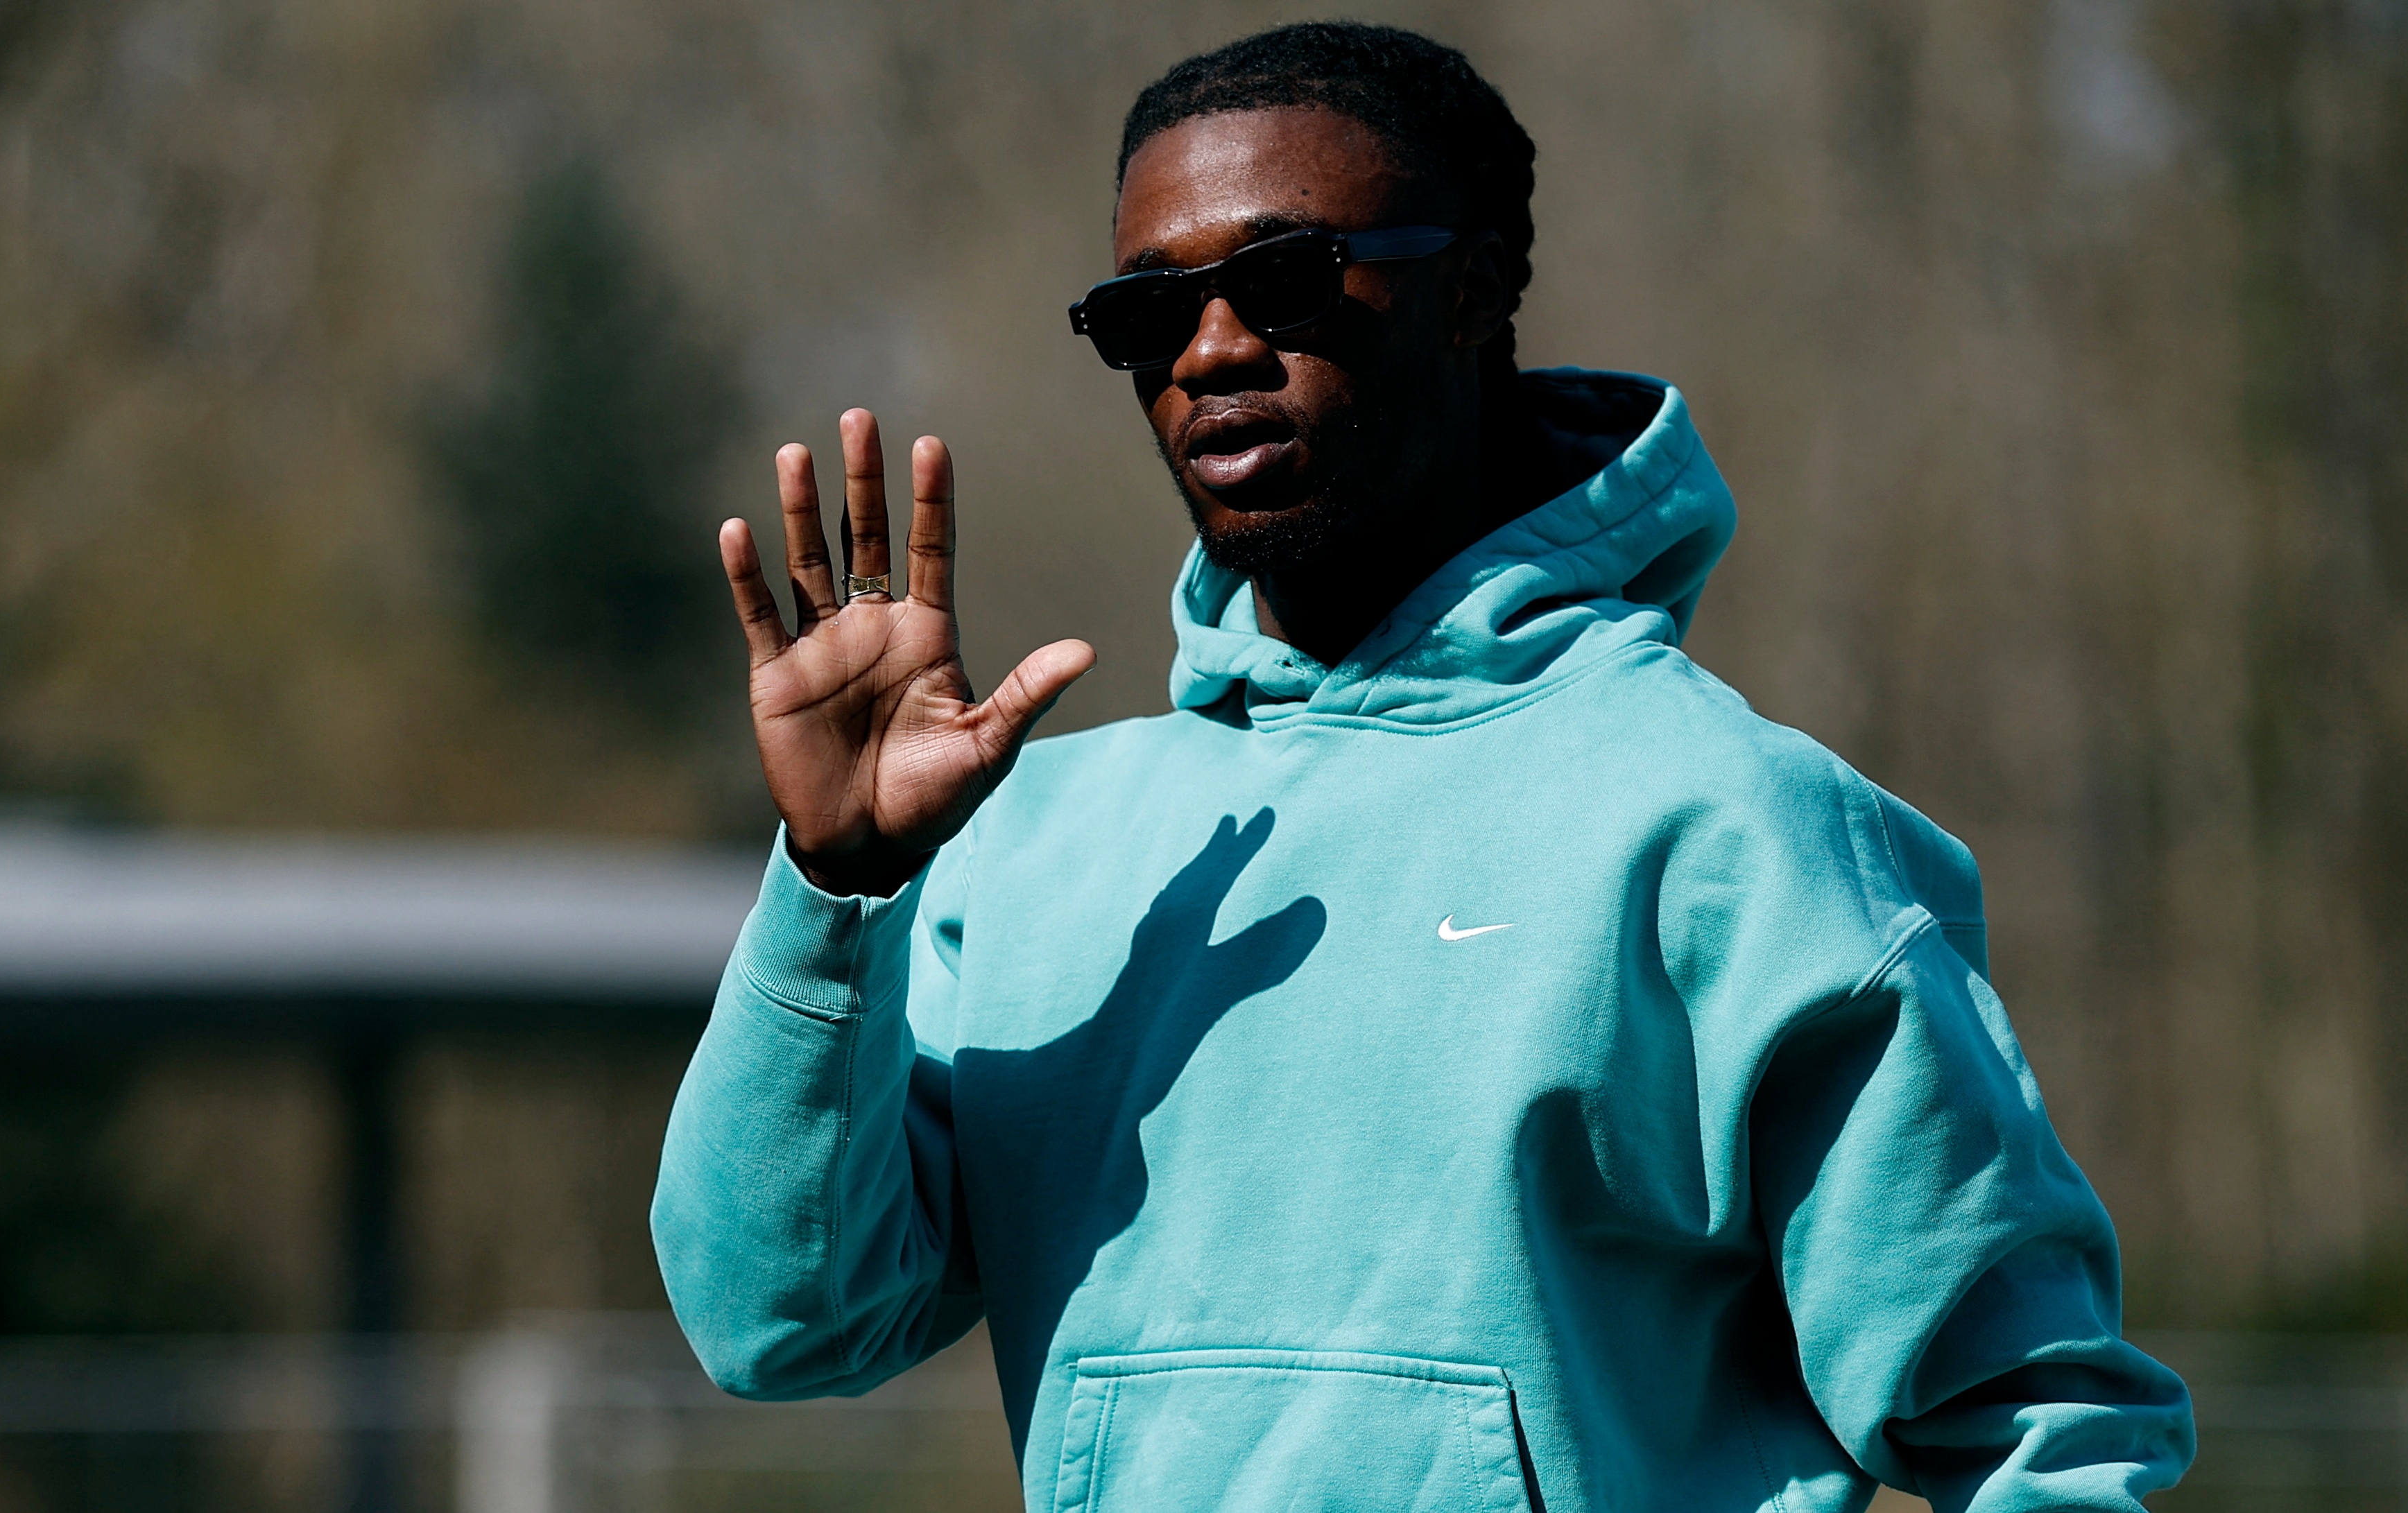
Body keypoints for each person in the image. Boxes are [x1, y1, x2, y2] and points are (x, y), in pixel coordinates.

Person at [652, 21, 2194, 1512]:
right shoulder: (1036, 837)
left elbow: (2034, 1429)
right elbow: (777, 1323)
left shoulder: (1728, 826)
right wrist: (838, 886)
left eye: (1283, 278)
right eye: (1147, 310)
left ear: (1472, 288)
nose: (1209, 350)